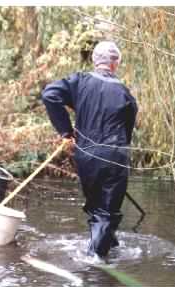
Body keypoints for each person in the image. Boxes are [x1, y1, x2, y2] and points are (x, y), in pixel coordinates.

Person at [40, 41, 138, 258]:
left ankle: (109, 246)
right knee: (106, 211)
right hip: (115, 157)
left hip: (86, 156)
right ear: (115, 64)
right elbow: (128, 132)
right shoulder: (125, 94)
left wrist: (66, 131)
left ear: (95, 62)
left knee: (97, 208)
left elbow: (49, 95)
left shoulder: (79, 82)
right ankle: (95, 261)